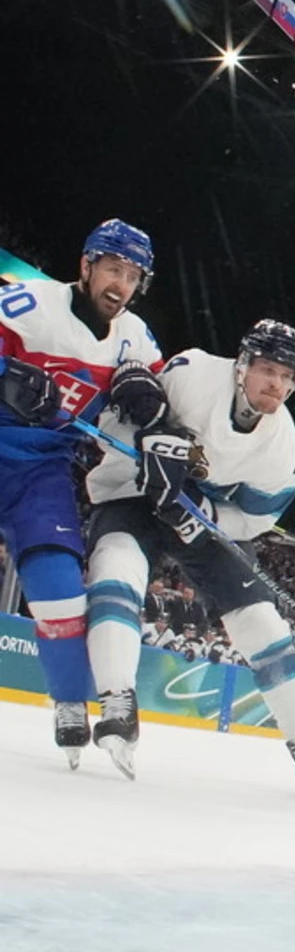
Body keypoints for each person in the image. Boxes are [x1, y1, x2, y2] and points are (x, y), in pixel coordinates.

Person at [78, 319, 295, 791]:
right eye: (267, 370)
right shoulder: (193, 373)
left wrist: (207, 517)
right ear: (241, 366)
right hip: (134, 493)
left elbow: (256, 520)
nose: (276, 385)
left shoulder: (284, 449)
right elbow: (122, 411)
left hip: (203, 521)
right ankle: (117, 701)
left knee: (262, 619)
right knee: (116, 563)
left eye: (287, 376)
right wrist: (151, 437)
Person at [0, 220, 167, 764]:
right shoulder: (27, 303)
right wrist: (5, 374)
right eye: (113, 269)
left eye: (133, 275)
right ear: (86, 266)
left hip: (42, 467)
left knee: (61, 592)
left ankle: (70, 700)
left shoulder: (135, 338)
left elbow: (157, 404)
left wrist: (156, 417)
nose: (122, 283)